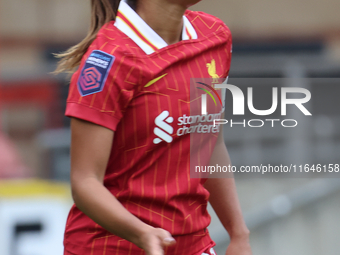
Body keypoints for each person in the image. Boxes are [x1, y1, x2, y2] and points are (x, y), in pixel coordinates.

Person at [55, 0, 252, 255]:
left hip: (192, 244)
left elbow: (208, 143)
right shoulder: (107, 59)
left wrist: (238, 233)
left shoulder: (214, 34)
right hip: (110, 246)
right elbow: (85, 182)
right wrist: (142, 232)